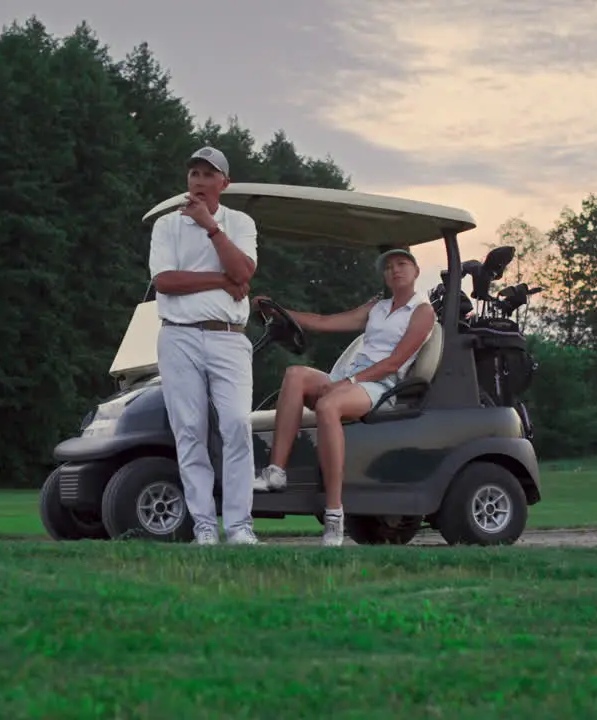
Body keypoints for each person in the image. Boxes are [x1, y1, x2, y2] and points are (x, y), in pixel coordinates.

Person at [251, 249, 436, 546]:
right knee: (295, 374)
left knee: (327, 405)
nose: (395, 270)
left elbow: (394, 363)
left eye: (402, 264)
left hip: (381, 386)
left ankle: (334, 513)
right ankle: (276, 472)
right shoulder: (377, 307)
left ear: (415, 271)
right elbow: (325, 321)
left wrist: (348, 382)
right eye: (389, 267)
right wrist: (278, 310)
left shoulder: (422, 311)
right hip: (352, 379)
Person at [148, 146, 261, 546]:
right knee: (190, 431)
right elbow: (165, 281)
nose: (198, 180)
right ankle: (205, 528)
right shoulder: (165, 225)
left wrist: (211, 227)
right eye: (193, 172)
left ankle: (240, 527)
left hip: (227, 337)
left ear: (223, 184)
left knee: (235, 424)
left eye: (207, 174)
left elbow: (244, 270)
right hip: (178, 334)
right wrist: (221, 281)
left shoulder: (239, 222)